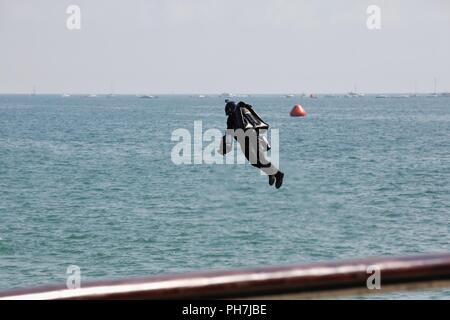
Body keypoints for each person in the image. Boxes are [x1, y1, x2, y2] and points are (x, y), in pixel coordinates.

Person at [219, 100, 284, 188]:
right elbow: (229, 133)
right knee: (254, 162)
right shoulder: (233, 118)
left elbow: (252, 123)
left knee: (261, 159)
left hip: (252, 137)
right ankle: (270, 173)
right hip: (244, 142)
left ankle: (278, 174)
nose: (230, 114)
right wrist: (225, 146)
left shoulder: (242, 113)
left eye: (230, 112)